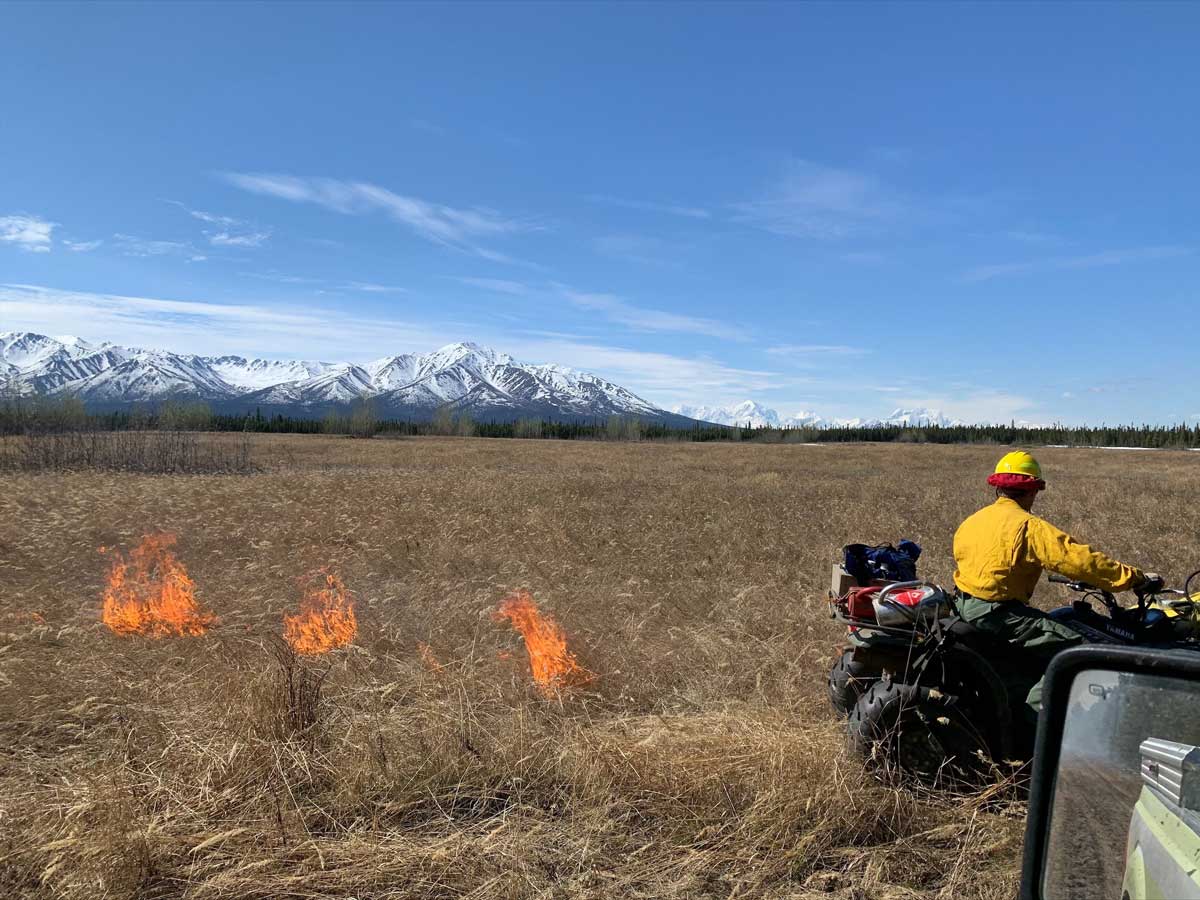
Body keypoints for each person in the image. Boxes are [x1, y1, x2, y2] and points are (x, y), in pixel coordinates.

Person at [952, 450, 1160, 720]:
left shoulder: (973, 521)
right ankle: (1036, 722)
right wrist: (1134, 578)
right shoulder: (1028, 526)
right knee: (1081, 653)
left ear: (999, 488)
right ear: (1033, 490)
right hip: (1001, 614)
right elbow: (1080, 561)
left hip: (963, 605)